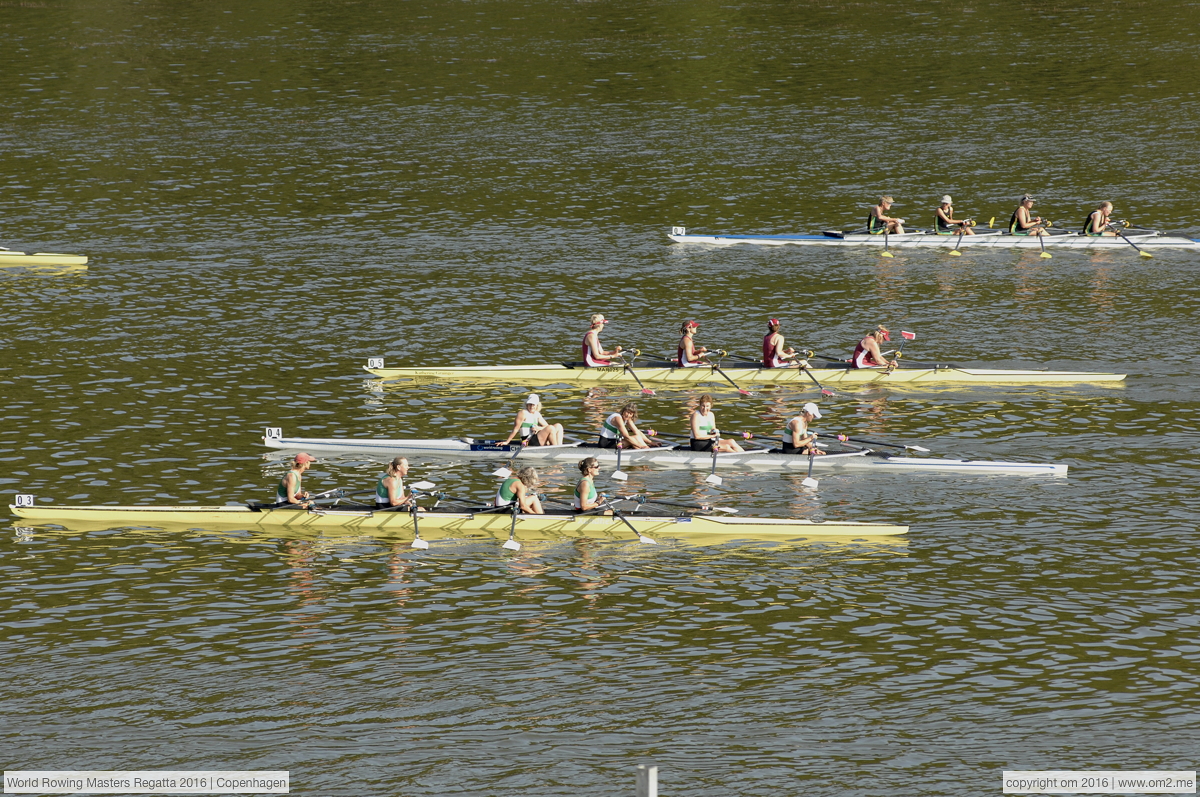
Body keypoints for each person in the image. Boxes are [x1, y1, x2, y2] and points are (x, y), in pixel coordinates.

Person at [597, 402, 661, 449]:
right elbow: (626, 436)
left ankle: (644, 451)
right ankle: (645, 451)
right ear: (623, 411)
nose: (628, 415)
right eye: (627, 412)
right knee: (634, 439)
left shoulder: (627, 419)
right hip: (606, 442)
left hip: (616, 440)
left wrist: (651, 443)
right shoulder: (617, 418)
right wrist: (641, 446)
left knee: (637, 436)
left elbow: (637, 432)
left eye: (631, 414)